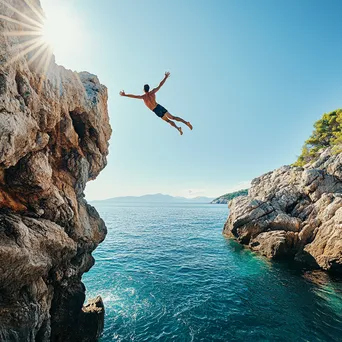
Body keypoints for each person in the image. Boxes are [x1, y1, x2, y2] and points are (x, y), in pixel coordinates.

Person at [119, 72, 193, 135]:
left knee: (168, 121)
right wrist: (165, 77)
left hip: (156, 110)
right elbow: (160, 85)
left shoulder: (143, 97)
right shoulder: (153, 92)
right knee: (172, 117)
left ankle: (178, 128)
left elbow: (134, 96)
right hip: (159, 106)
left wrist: (125, 95)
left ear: (143, 90)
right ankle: (186, 123)